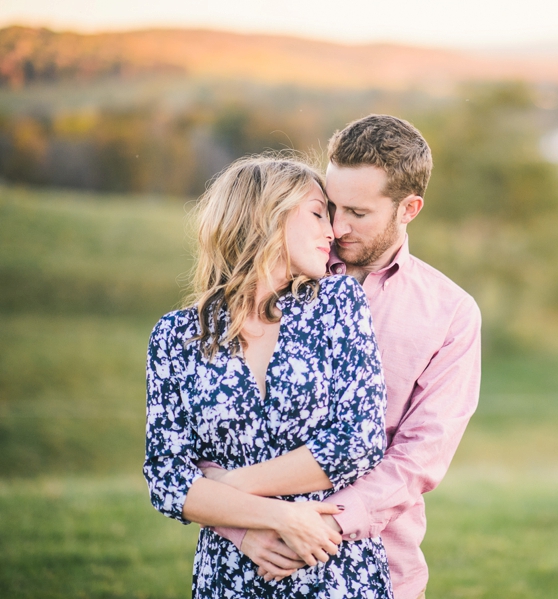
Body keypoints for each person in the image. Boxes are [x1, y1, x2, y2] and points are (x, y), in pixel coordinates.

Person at [207, 115, 482, 599]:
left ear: (409, 208)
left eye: (357, 212)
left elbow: (417, 457)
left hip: (378, 568)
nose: (336, 226)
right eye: (330, 206)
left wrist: (317, 529)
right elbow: (212, 430)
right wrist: (249, 526)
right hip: (252, 560)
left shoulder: (450, 314)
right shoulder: (284, 270)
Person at [143, 155, 393, 598]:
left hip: (332, 569)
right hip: (232, 574)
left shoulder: (337, 304)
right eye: (318, 213)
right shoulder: (177, 335)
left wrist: (229, 488)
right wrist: (267, 521)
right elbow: (166, 478)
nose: (332, 232)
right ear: (268, 217)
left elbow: (358, 441)